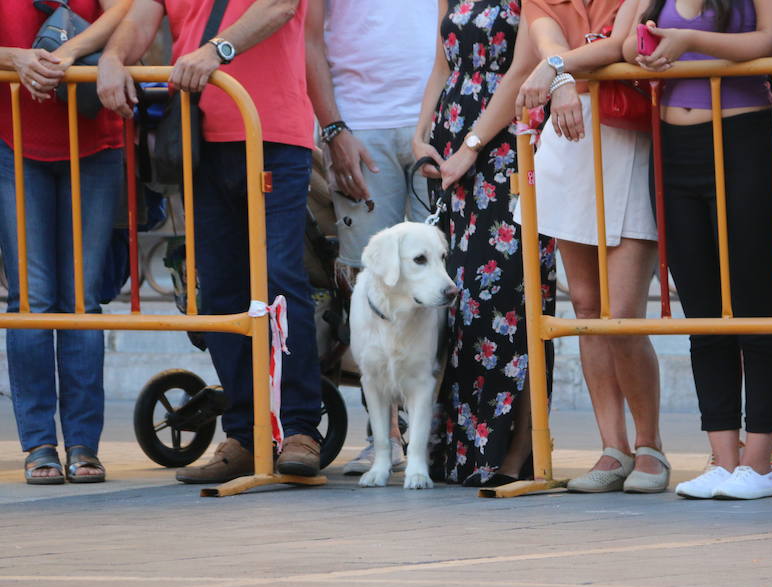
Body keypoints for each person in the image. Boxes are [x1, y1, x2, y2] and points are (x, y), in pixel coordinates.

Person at [97, 0, 323, 483]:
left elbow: (281, 8)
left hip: (272, 133)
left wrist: (216, 50)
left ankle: (301, 428)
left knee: (280, 277)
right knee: (220, 290)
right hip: (199, 137)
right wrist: (113, 59)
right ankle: (243, 434)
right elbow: (139, 21)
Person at [625, 0, 772, 500]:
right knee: (702, 307)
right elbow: (629, 41)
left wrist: (690, 41)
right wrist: (649, 44)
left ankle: (759, 462)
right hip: (674, 145)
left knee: (755, 302)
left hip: (745, 136)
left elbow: (768, 40)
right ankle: (723, 458)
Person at [515, 0, 668, 494]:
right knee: (585, 305)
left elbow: (614, 46)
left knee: (622, 311)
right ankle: (613, 447)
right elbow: (549, 43)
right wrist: (560, 75)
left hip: (627, 130)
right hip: (571, 130)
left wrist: (556, 70)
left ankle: (650, 446)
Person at [414, 0, 557, 487]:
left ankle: (515, 453)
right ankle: (458, 453)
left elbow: (521, 70)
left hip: (505, 145)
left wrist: (470, 148)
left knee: (502, 297)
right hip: (452, 146)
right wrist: (421, 136)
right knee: (458, 303)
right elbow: (441, 64)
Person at [0, 0, 132, 485]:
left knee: (80, 300)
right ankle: (38, 444)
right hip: (12, 140)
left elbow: (127, 11)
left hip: (95, 141)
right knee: (31, 299)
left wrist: (64, 52)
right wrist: (15, 57)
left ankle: (82, 444)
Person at [305, 0, 437, 477]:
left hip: (437, 117)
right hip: (360, 123)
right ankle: (385, 437)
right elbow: (310, 38)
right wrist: (334, 127)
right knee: (371, 282)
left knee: (438, 277)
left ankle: (433, 434)